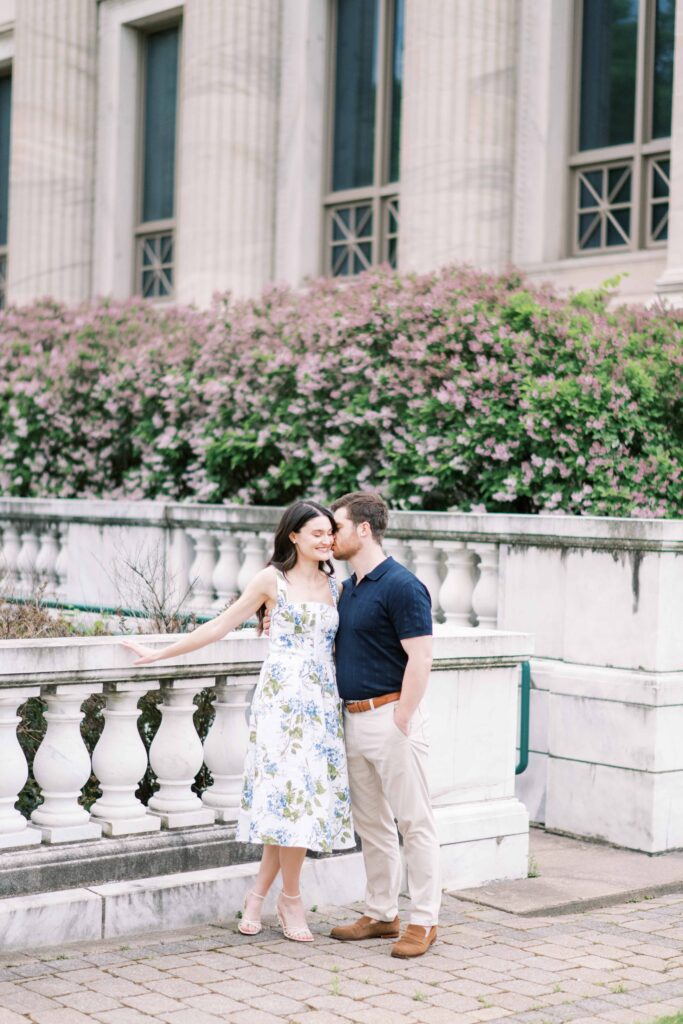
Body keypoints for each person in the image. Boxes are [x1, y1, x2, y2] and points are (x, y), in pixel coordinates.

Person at [121, 500, 354, 944]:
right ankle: (291, 899)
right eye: (317, 533)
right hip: (281, 702)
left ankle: (259, 896)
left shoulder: (336, 585)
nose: (327, 540)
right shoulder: (272, 580)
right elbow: (220, 625)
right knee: (287, 799)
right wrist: (160, 654)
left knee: (297, 803)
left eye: (330, 533)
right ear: (293, 536)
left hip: (322, 703)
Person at [328, 491, 441, 959]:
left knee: (414, 823)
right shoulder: (348, 588)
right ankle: (381, 913)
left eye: (337, 527)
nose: (330, 536)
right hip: (353, 718)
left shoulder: (402, 585)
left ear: (364, 529)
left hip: (392, 718)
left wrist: (402, 717)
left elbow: (421, 657)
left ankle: (424, 920)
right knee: (371, 824)